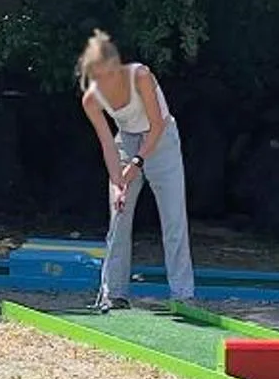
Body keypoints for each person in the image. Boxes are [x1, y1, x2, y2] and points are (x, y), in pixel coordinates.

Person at [78, 31, 195, 309]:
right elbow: (108, 144)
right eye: (97, 77)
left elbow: (157, 126)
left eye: (108, 75)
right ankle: (114, 293)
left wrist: (138, 163)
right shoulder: (91, 100)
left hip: (161, 140)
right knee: (118, 216)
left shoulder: (140, 76)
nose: (103, 83)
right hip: (126, 141)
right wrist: (118, 182)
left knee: (173, 219)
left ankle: (183, 296)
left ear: (116, 66)